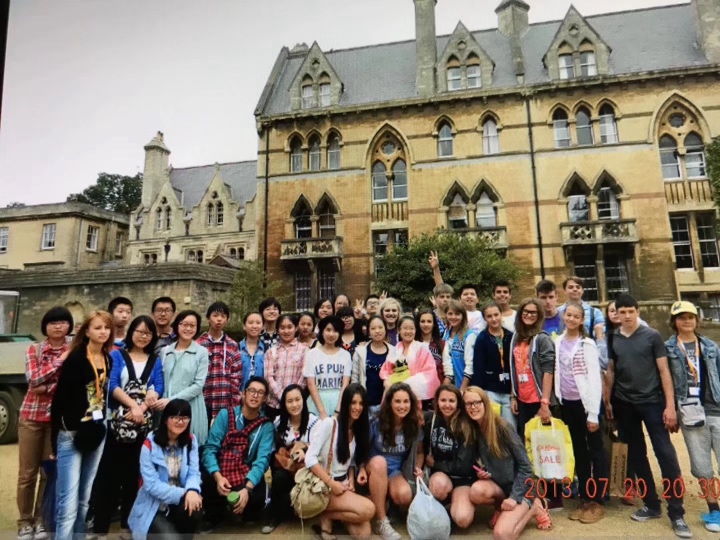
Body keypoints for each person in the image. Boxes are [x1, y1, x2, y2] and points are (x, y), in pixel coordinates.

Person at [604, 294, 690, 538]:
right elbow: (611, 370)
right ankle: (651, 504)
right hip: (625, 404)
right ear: (617, 314)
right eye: (622, 312)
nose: (627, 316)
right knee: (637, 455)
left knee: (665, 454)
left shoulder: (652, 336)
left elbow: (664, 371)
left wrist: (670, 406)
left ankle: (677, 512)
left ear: (637, 311)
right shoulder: (612, 337)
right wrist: (607, 400)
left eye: (631, 311)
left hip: (653, 402)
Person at [94, 315, 165, 539]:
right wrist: (133, 406)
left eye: (148, 333)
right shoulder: (117, 355)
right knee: (109, 476)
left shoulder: (155, 360)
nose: (143, 336)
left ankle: (128, 525)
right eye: (139, 331)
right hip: (116, 424)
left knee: (134, 476)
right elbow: (112, 384)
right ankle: (100, 527)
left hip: (142, 426)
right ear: (131, 332)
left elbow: (159, 386)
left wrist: (142, 408)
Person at [51, 310, 114, 540]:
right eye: (97, 328)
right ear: (86, 331)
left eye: (106, 327)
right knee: (67, 502)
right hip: (71, 432)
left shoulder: (108, 358)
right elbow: (59, 400)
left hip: (96, 430)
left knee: (84, 499)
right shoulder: (76, 359)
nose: (103, 332)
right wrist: (54, 440)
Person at [464, 386, 552, 538]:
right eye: (468, 404)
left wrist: (514, 498)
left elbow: (525, 466)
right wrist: (483, 471)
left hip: (522, 488)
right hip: (502, 487)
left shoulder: (503, 427)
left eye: (477, 402)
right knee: (476, 491)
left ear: (485, 402)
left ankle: (534, 507)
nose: (473, 407)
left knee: (502, 534)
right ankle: (501, 507)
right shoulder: (474, 429)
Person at [16, 307, 73, 540]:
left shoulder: (74, 349)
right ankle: (24, 521)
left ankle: (41, 519)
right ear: (45, 326)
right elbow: (33, 379)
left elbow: (70, 383)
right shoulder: (35, 349)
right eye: (52, 323)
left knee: (48, 472)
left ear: (69, 325)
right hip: (31, 418)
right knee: (27, 474)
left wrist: (47, 387)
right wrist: (60, 362)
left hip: (56, 422)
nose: (57, 326)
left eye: (62, 322)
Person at [666, 301, 720, 533]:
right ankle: (713, 508)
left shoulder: (710, 346)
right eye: (681, 317)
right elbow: (666, 381)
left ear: (697, 320)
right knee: (701, 464)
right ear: (674, 321)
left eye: (690, 317)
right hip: (689, 410)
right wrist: (671, 409)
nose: (686, 321)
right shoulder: (668, 349)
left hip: (715, 406)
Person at [553, 301, 607, 524]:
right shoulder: (558, 341)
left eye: (576, 316)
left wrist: (593, 414)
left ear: (582, 320)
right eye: (568, 315)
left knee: (596, 449)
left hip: (586, 404)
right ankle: (586, 495)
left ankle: (599, 496)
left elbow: (594, 379)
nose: (571, 319)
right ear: (563, 316)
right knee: (579, 450)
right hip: (568, 403)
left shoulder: (587, 344)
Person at [201, 377, 275, 530]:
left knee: (256, 501)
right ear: (243, 393)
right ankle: (214, 514)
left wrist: (247, 489)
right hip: (222, 469)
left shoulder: (266, 426)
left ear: (265, 399)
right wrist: (218, 477)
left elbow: (262, 460)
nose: (255, 395)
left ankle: (241, 507)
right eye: (251, 391)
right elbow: (210, 449)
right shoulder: (225, 415)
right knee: (204, 466)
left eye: (260, 393)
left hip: (244, 473)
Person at [305, 384, 375, 540]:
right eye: (353, 402)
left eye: (361, 403)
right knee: (369, 509)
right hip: (325, 486)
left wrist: (351, 479)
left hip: (344, 485)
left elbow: (349, 462)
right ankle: (328, 515)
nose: (357, 407)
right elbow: (309, 458)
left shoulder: (358, 429)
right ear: (345, 403)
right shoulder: (330, 424)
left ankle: (328, 515)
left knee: (363, 534)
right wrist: (332, 483)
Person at [127, 398, 203, 540]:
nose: (180, 422)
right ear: (165, 420)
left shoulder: (191, 441)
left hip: (178, 503)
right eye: (175, 417)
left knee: (196, 506)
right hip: (154, 506)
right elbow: (152, 485)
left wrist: (193, 490)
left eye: (185, 418)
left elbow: (194, 473)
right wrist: (185, 493)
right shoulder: (149, 444)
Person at [366, 383, 424, 540]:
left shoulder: (414, 422)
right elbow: (362, 448)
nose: (402, 406)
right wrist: (362, 468)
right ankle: (381, 521)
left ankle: (386, 503)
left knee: (404, 495)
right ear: (389, 402)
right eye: (397, 401)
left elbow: (420, 452)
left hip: (394, 470)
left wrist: (418, 467)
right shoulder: (376, 419)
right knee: (380, 462)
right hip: (373, 466)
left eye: (406, 401)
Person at [262, 384, 320, 533]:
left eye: (297, 400)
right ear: (284, 404)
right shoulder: (277, 422)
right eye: (290, 401)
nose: (294, 405)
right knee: (279, 477)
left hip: (307, 471)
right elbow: (271, 449)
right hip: (285, 470)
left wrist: (305, 451)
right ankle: (274, 515)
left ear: (303, 400)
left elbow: (321, 449)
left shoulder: (314, 422)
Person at [153, 311, 209, 445]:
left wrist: (170, 400)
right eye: (184, 324)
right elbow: (158, 378)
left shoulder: (201, 352)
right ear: (177, 325)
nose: (188, 328)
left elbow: (198, 385)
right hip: (165, 408)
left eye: (192, 325)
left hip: (191, 406)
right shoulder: (165, 351)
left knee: (188, 446)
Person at [424, 385, 476, 529]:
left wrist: (435, 464)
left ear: (458, 403)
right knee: (438, 485)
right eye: (443, 400)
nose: (447, 405)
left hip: (462, 479)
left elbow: (463, 466)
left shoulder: (466, 425)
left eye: (451, 401)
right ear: (437, 401)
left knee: (463, 519)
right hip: (441, 477)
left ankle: (455, 506)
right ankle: (443, 505)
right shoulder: (431, 420)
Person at [509, 298, 555, 438]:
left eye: (533, 312)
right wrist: (513, 396)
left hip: (538, 400)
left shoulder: (542, 339)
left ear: (539, 316)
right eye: (526, 311)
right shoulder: (516, 337)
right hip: (522, 400)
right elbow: (513, 368)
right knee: (525, 440)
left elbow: (548, 371)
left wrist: (545, 403)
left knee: (542, 442)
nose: (529, 315)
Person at [470, 301, 515, 430]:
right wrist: (478, 393)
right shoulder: (482, 339)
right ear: (485, 319)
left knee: (510, 428)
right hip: (490, 391)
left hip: (508, 391)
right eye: (489, 316)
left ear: (501, 315)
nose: (494, 319)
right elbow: (478, 368)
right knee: (493, 428)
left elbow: (514, 365)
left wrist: (514, 393)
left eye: (496, 315)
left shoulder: (510, 336)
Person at [196, 302, 242, 424]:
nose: (219, 319)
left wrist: (235, 404)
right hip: (202, 401)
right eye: (215, 315)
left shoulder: (232, 345)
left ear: (227, 320)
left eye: (223, 316)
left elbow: (236, 377)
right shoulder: (198, 344)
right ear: (208, 318)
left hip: (225, 403)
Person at [381, 316, 440, 408]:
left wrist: (404, 384)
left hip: (413, 395)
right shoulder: (395, 349)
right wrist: (386, 381)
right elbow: (386, 370)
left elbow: (429, 374)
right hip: (393, 393)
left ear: (415, 330)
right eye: (405, 328)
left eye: (411, 328)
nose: (408, 331)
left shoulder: (422, 348)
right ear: (399, 330)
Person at [304, 316, 352, 419]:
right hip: (316, 402)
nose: (331, 334)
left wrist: (338, 411)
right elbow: (311, 384)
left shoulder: (345, 355)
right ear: (322, 332)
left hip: (339, 401)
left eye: (335, 331)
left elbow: (345, 384)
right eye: (328, 330)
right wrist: (322, 412)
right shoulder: (311, 354)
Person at [265, 314, 308, 420]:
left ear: (296, 328)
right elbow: (268, 377)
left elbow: (304, 376)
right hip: (274, 405)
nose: (286, 331)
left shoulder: (304, 350)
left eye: (289, 327)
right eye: (282, 328)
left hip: (296, 405)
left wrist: (292, 398)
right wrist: (284, 398)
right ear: (277, 330)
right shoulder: (271, 351)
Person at [352, 315, 398, 412]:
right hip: (365, 406)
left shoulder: (394, 352)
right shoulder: (360, 352)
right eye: (373, 328)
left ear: (385, 329)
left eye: (380, 327)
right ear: (368, 331)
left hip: (388, 406)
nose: (377, 331)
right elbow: (355, 379)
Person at [442, 300, 478, 388]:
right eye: (450, 314)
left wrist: (462, 389)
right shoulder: (446, 334)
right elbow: (447, 360)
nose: (453, 317)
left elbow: (470, 365)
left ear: (463, 316)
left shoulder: (469, 335)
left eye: (457, 314)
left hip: (465, 384)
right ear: (446, 315)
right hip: (452, 383)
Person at [558, 276, 605, 342]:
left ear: (582, 290)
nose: (575, 289)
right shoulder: (558, 312)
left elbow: (601, 334)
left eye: (578, 287)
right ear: (565, 291)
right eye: (571, 287)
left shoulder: (595, 312)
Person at [415, 308, 445, 387]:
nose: (426, 324)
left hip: (438, 387)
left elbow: (448, 371)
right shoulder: (412, 344)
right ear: (418, 323)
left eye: (429, 321)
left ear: (434, 324)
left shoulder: (443, 344)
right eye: (422, 321)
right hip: (417, 388)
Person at [239, 312, 266, 384]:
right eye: (250, 323)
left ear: (263, 327)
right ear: (244, 326)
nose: (254, 326)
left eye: (258, 323)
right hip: (240, 390)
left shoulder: (267, 349)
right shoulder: (236, 348)